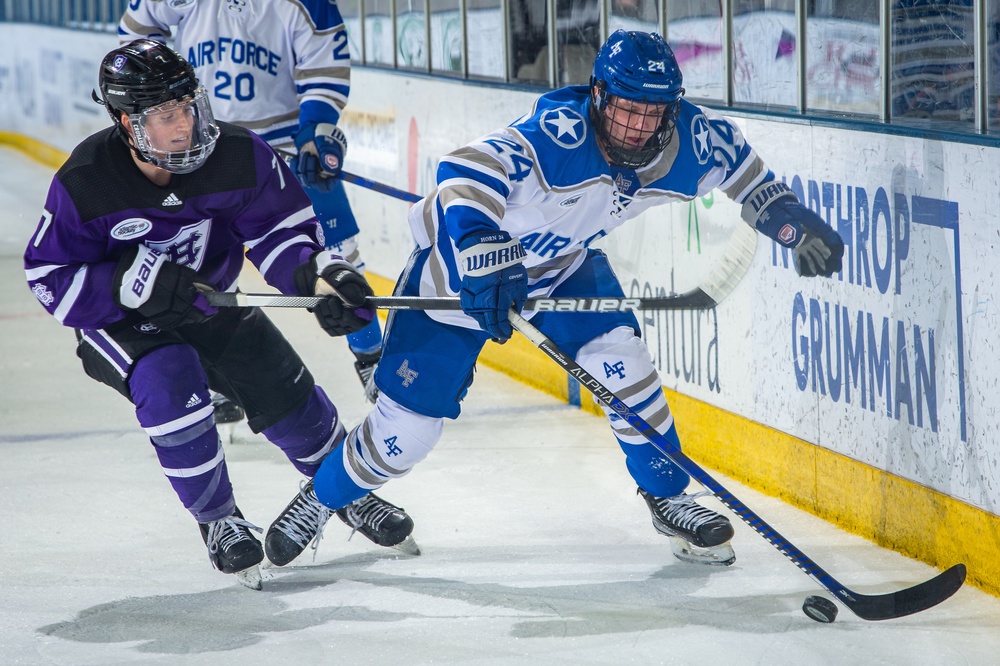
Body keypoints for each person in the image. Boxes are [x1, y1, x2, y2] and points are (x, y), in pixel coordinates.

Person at [266, 29, 846, 568]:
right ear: (598, 95)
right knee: (404, 436)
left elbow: (749, 176)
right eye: (625, 108)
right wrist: (486, 248)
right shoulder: (556, 133)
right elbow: (461, 172)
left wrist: (791, 223)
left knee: (626, 370)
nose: (638, 126)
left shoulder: (690, 141)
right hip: (456, 281)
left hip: (565, 271)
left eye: (653, 112)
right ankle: (323, 497)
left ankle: (669, 499)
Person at [22, 40, 416, 589]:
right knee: (169, 376)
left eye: (186, 106)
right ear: (126, 121)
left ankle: (344, 492)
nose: (183, 124)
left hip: (208, 300)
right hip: (119, 325)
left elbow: (280, 231)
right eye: (163, 115)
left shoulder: (236, 154)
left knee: (282, 384)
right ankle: (219, 520)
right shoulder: (86, 181)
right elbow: (48, 277)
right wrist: (129, 284)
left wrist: (316, 277)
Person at [118, 0, 384, 413]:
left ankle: (372, 358)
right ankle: (221, 374)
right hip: (196, 145)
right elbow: (137, 32)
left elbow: (324, 65)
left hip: (283, 143)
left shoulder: (303, 4)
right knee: (197, 258)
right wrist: (166, 94)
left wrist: (315, 127)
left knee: (336, 252)